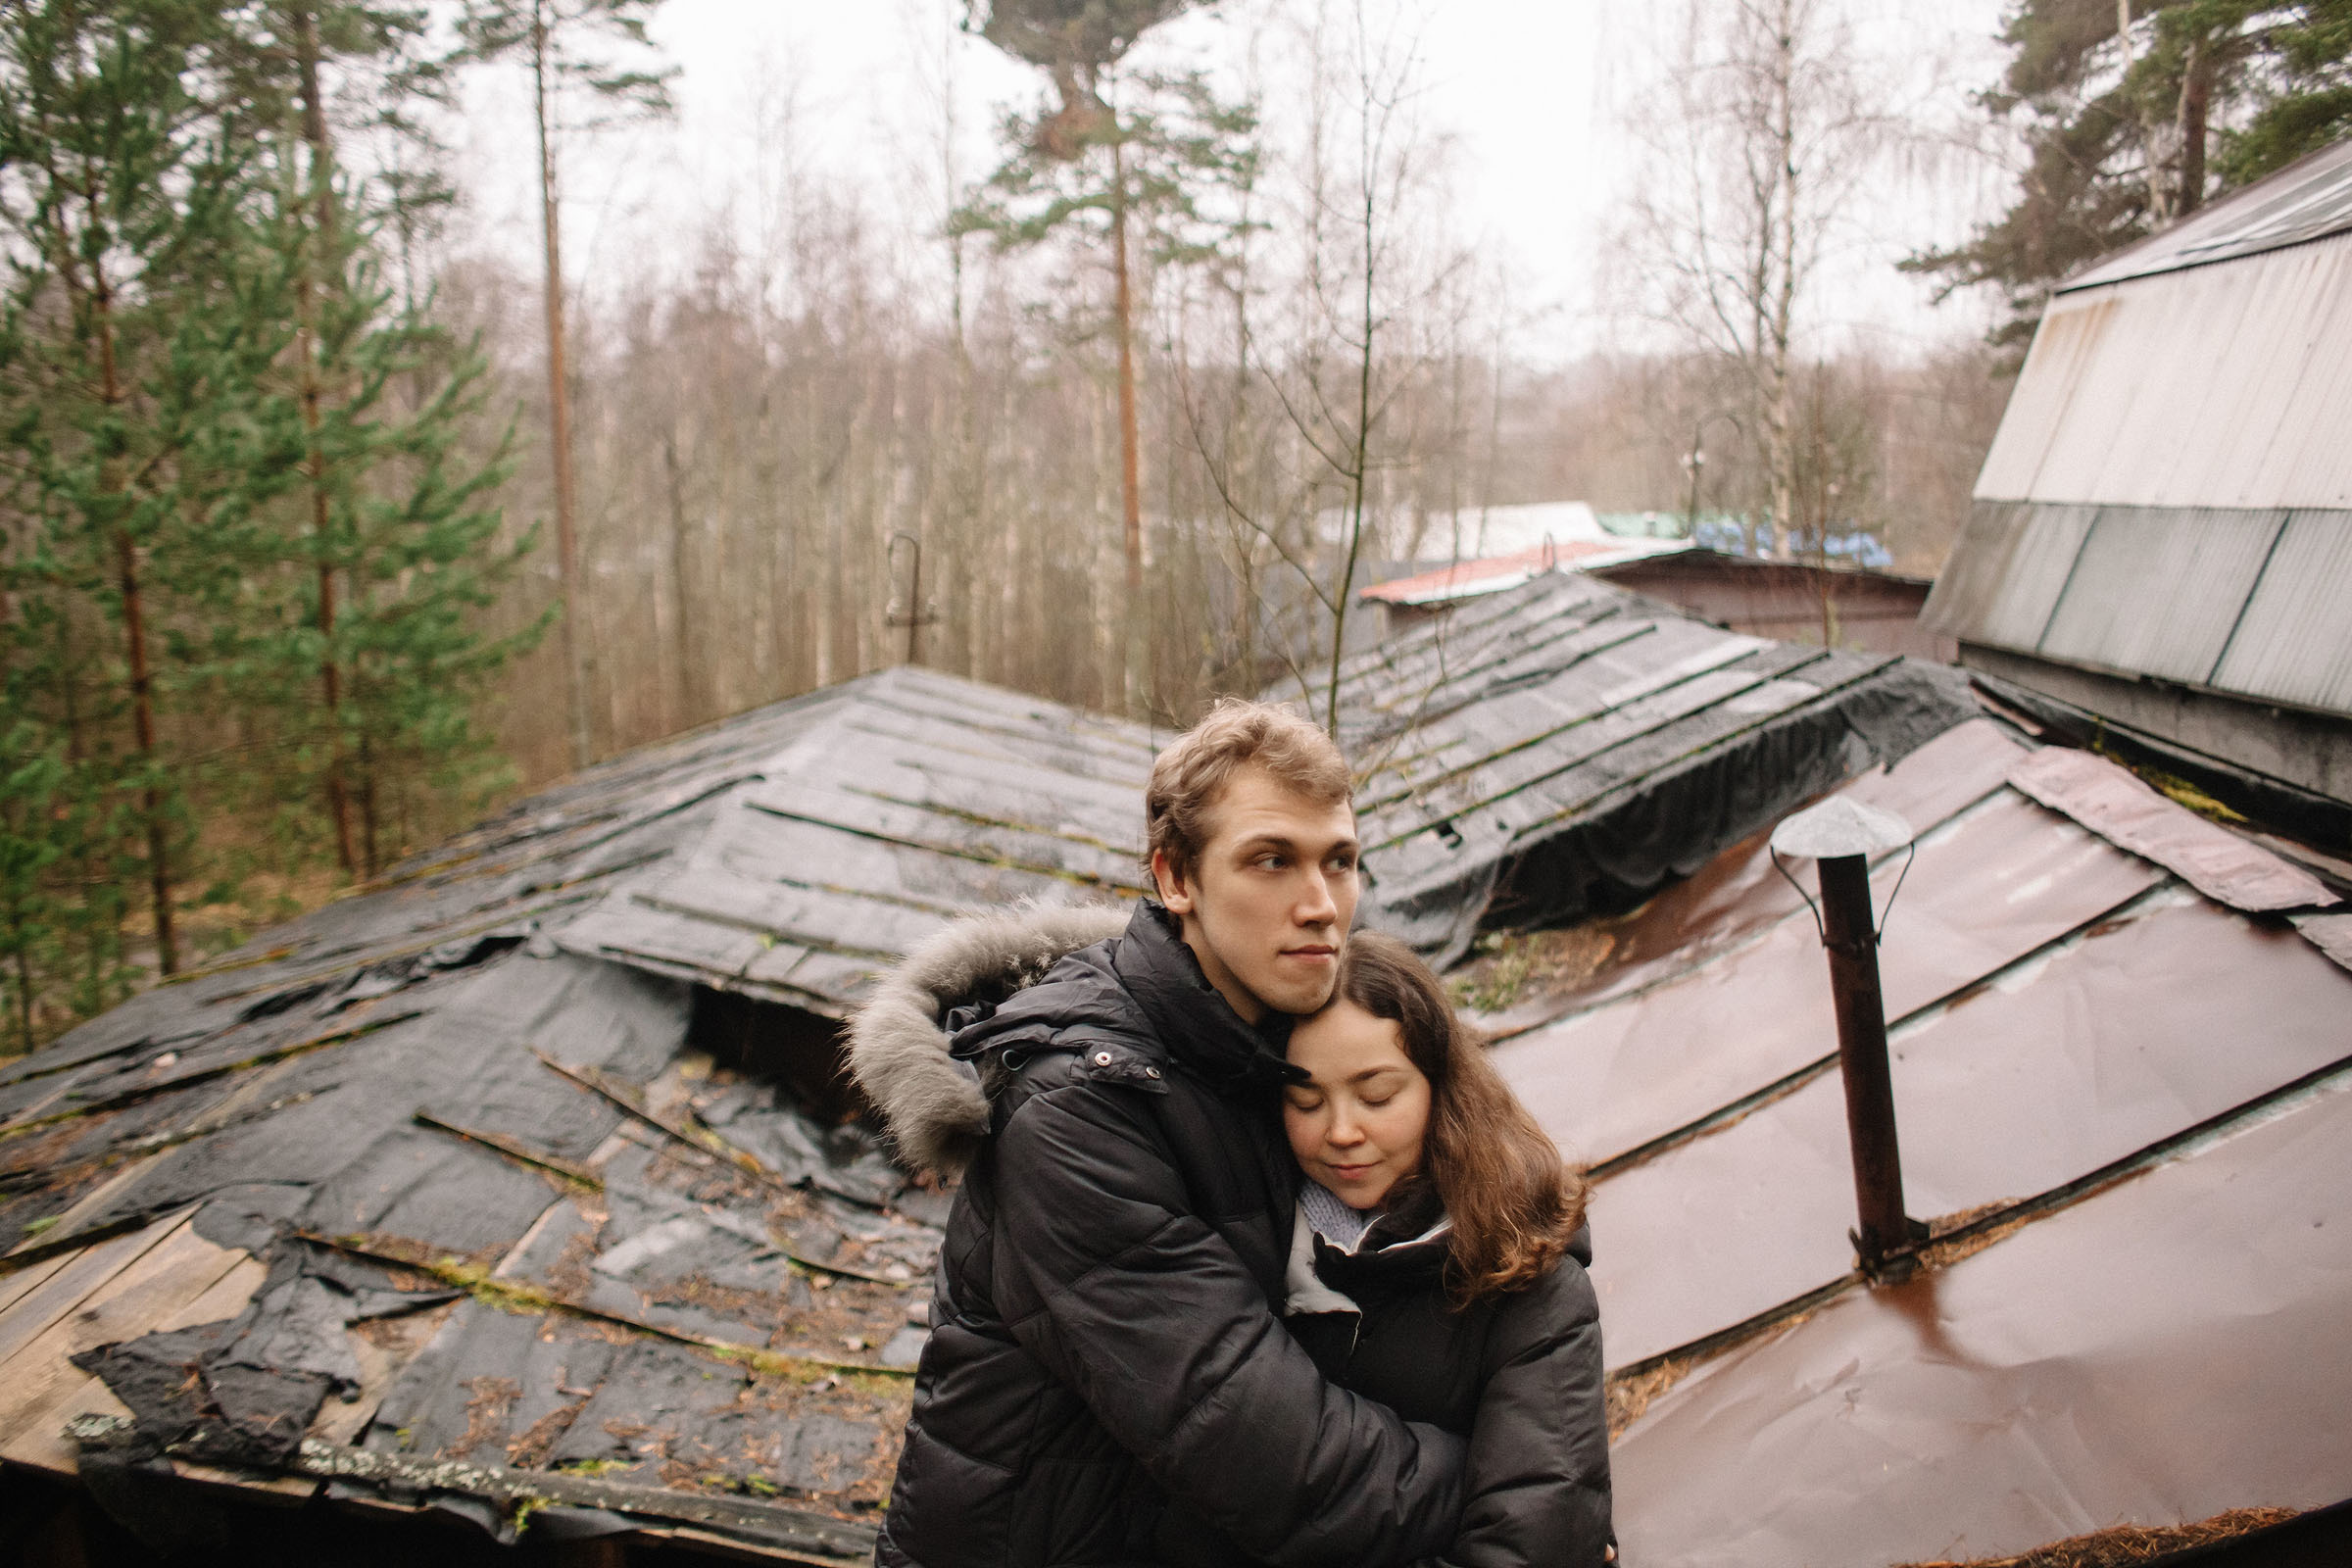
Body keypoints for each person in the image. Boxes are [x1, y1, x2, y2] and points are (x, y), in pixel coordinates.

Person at [848, 700, 1466, 1568]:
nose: (1322, 905)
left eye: (1341, 862)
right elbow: (1262, 1450)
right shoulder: (1076, 1107)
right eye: (1271, 861)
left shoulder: (1284, 1050)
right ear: (1176, 880)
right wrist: (1512, 1491)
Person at [1275, 933, 1612, 1566]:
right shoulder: (1255, 1239)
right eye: (1306, 1099)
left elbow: (1538, 1530)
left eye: (1377, 1096)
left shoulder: (1531, 1278)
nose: (1342, 1131)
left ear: (1441, 1089)